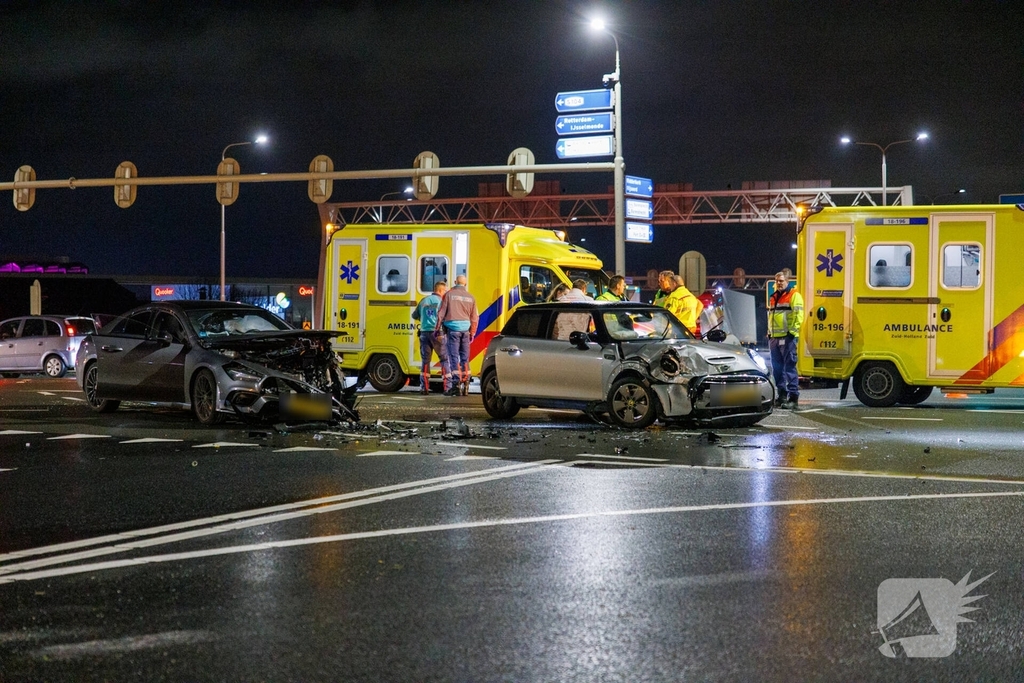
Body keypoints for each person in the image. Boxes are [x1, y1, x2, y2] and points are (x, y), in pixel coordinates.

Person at [768, 270, 804, 409]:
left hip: (787, 338)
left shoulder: (794, 295)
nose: (779, 283)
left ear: (787, 281)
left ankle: (793, 398)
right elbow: (771, 317)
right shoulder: (773, 297)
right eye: (777, 281)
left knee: (789, 368)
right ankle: (782, 396)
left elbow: (799, 315)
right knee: (777, 369)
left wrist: (792, 333)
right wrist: (770, 333)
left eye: (781, 281)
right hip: (774, 338)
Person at [437, 274, 479, 396]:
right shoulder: (471, 297)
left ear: (455, 282)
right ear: (465, 284)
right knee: (465, 358)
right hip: (465, 331)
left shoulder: (449, 295)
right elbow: (474, 318)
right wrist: (472, 333)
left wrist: (437, 329)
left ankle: (456, 385)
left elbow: (441, 314)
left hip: (452, 330)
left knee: (454, 357)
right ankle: (466, 384)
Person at [411, 280, 448, 395]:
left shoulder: (424, 300)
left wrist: (424, 318)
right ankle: (448, 387)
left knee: (425, 361)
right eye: (445, 291)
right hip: (437, 333)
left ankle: (424, 388)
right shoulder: (441, 302)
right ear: (440, 290)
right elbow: (445, 317)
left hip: (424, 333)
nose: (445, 293)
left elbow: (414, 315)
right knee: (444, 359)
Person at [654, 271, 703, 335]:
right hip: (663, 329)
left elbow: (668, 315)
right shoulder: (660, 293)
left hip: (671, 330)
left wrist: (691, 320)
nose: (659, 283)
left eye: (661, 281)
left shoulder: (675, 296)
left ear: (669, 281)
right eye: (659, 281)